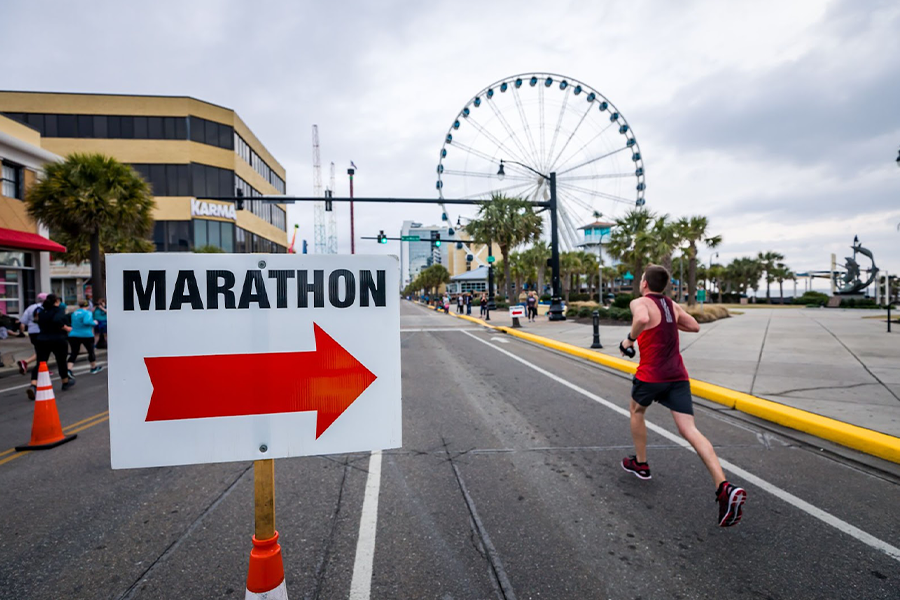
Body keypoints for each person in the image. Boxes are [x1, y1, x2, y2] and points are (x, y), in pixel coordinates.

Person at [620, 265, 746, 527]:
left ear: (644, 283)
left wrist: (629, 340)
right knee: (690, 430)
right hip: (677, 376)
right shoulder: (671, 304)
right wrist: (668, 324)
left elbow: (642, 319)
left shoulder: (639, 302)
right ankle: (724, 487)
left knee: (636, 411)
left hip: (651, 375)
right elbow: (694, 325)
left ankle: (641, 464)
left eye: (641, 279)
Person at [28, 294, 75, 399]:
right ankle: (65, 381)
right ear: (56, 301)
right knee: (61, 361)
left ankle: (34, 384)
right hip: (58, 339)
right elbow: (57, 320)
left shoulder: (42, 312)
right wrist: (65, 328)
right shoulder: (58, 310)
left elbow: (38, 322)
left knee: (40, 362)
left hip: (42, 339)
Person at [68, 300, 103, 375]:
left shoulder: (74, 313)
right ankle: (93, 367)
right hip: (86, 335)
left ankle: (69, 369)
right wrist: (94, 322)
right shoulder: (87, 313)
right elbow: (87, 322)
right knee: (91, 351)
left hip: (73, 334)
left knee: (74, 352)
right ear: (88, 306)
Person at [17, 292, 47, 375]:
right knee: (44, 351)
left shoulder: (30, 307)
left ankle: (27, 363)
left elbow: (23, 321)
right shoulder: (46, 308)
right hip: (42, 331)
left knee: (40, 350)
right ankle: (39, 369)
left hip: (32, 332)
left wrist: (22, 332)